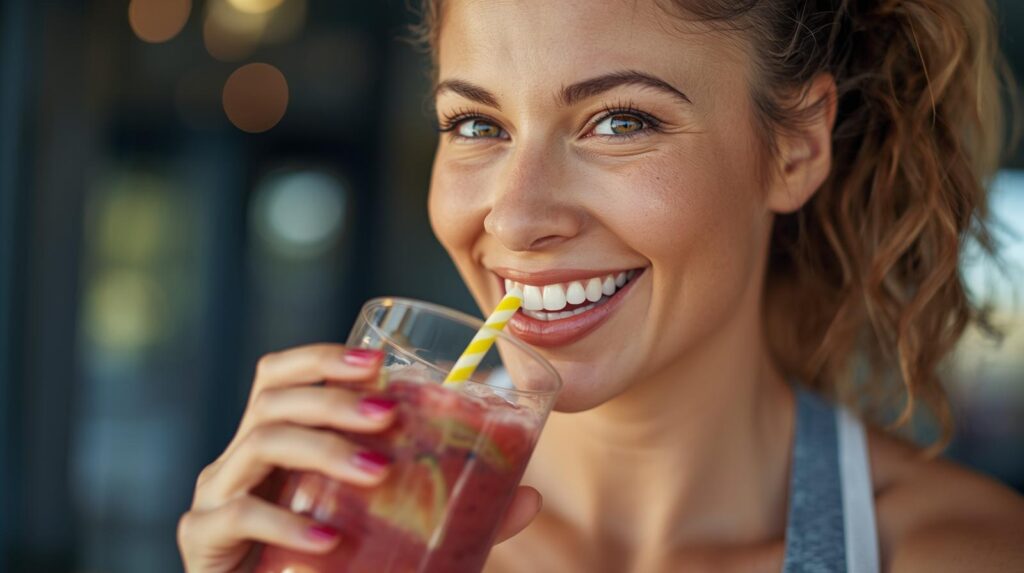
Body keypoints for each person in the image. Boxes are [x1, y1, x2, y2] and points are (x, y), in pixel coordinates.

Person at [178, 0, 1024, 570]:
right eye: (477, 124)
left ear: (796, 147)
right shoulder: (345, 540)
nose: (515, 218)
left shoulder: (970, 551)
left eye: (620, 122)